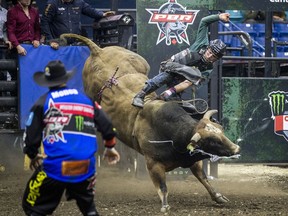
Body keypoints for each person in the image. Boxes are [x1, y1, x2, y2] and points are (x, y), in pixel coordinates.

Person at [22, 60, 121, 216]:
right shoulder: (87, 101)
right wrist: (110, 146)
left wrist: (32, 154)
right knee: (88, 208)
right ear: (65, 79)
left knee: (32, 206)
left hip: (55, 167)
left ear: (48, 82)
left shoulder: (43, 102)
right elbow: (107, 125)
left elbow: (31, 134)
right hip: (85, 167)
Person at [132, 13, 229, 108]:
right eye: (210, 52)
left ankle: (170, 101)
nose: (210, 56)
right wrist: (219, 17)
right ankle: (140, 95)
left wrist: (168, 93)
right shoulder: (201, 43)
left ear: (216, 59)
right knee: (166, 77)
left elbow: (187, 83)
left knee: (175, 100)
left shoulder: (208, 69)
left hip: (179, 80)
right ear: (208, 48)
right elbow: (204, 22)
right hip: (170, 68)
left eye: (214, 56)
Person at [41, 0, 115, 50]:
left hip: (75, 45)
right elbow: (44, 22)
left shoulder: (79, 2)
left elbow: (91, 11)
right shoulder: (52, 3)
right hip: (57, 45)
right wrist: (51, 40)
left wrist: (102, 14)